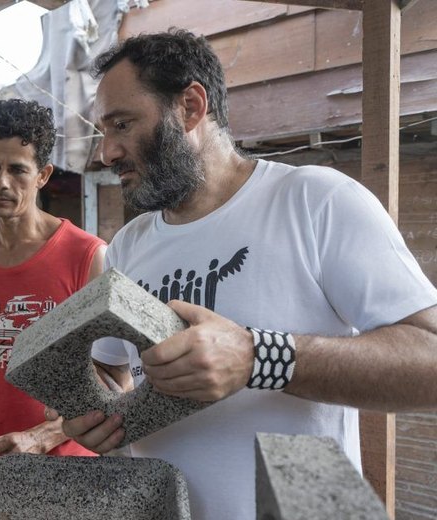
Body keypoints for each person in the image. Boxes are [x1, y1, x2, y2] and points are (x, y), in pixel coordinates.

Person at [56, 29, 437, 519]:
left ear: (191, 107)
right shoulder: (128, 245)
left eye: (123, 125)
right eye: (103, 133)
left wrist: (261, 357)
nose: (107, 153)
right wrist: (99, 414)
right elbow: (113, 370)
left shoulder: (314, 201)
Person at [0, 99, 113, 493]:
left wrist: (44, 435)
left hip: (71, 467)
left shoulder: (87, 256)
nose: (1, 183)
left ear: (43, 175)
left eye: (17, 170)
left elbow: (116, 383)